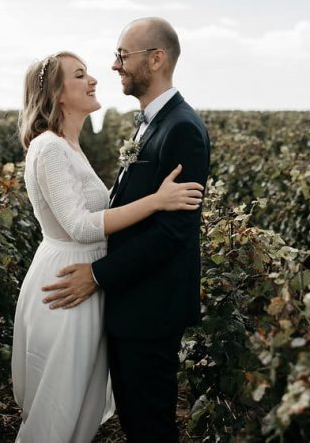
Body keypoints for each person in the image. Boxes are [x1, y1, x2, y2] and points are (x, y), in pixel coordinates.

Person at [12, 49, 204, 442]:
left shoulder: (69, 145)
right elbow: (82, 227)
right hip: (68, 280)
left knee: (75, 408)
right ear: (57, 94)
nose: (95, 79)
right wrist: (157, 200)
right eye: (80, 75)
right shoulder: (48, 147)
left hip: (85, 279)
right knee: (57, 409)